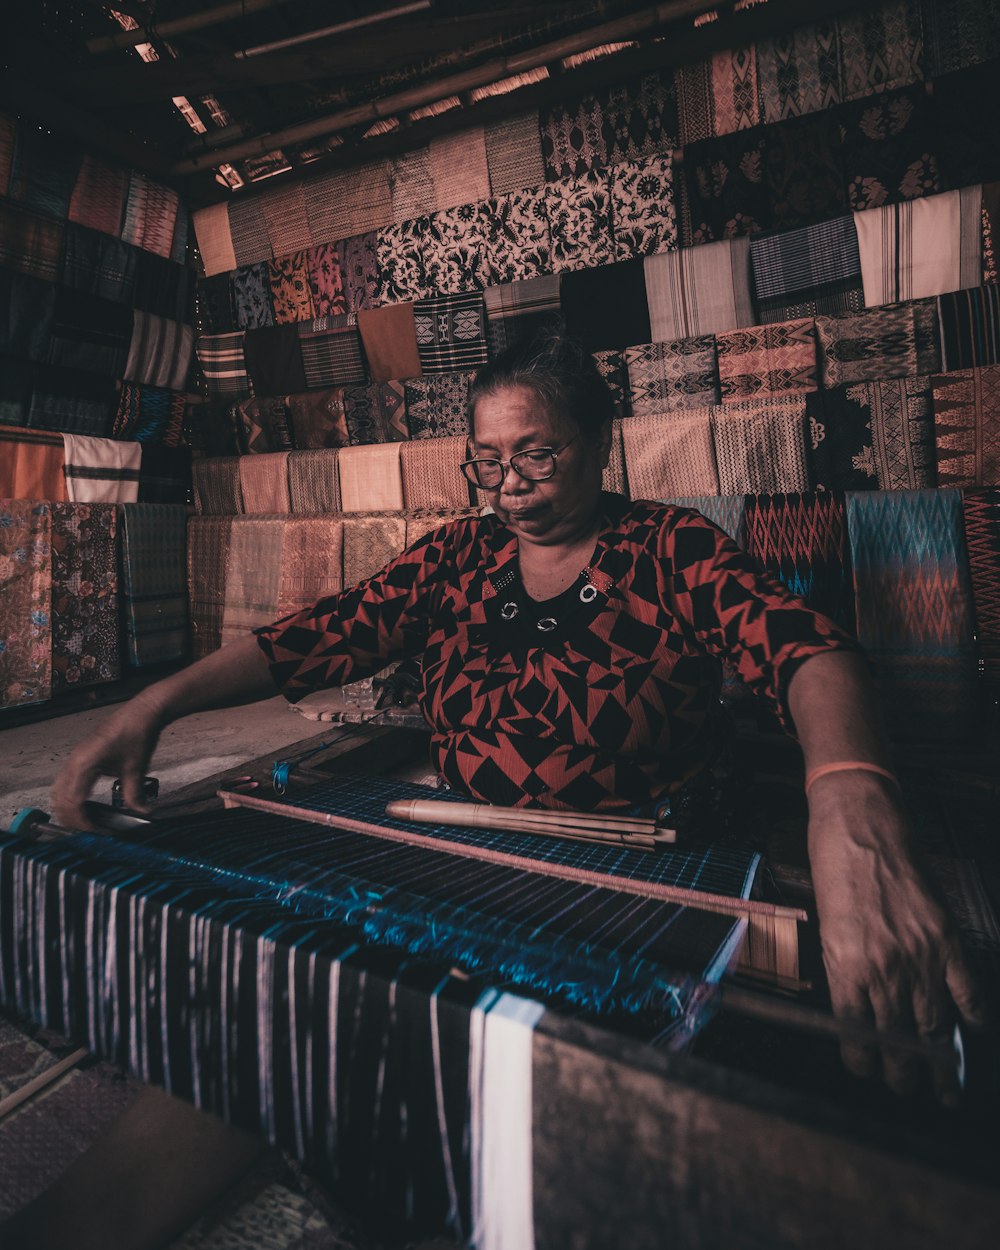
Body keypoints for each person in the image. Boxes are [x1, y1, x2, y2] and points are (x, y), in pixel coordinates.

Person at [52, 329, 983, 1105]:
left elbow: (806, 650)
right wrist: (155, 703)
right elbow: (314, 636)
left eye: (537, 453)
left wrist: (852, 799)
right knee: (293, 1030)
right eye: (487, 461)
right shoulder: (457, 557)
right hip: (481, 869)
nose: (509, 485)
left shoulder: (670, 547)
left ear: (600, 439)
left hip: (647, 881)